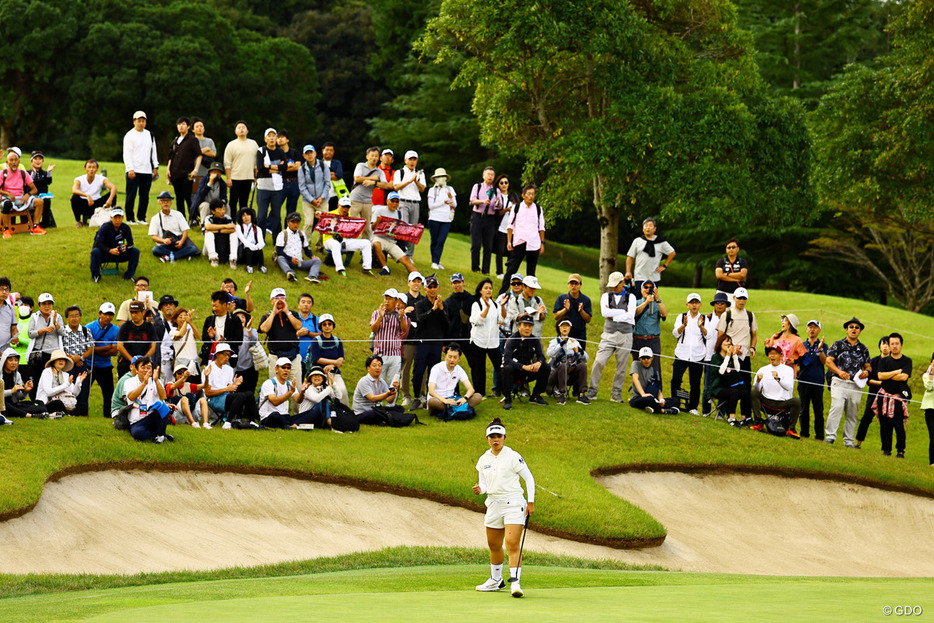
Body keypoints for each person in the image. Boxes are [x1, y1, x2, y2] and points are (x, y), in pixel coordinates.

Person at [473, 417, 535, 598]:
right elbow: (484, 484)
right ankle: (496, 580)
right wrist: (480, 489)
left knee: (512, 544)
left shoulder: (513, 456)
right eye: (492, 436)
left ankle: (515, 582)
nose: (495, 439)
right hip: (493, 504)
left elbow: (529, 478)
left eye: (499, 436)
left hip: (514, 502)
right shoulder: (483, 459)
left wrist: (530, 502)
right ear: (487, 438)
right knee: (493, 544)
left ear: (504, 437)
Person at [586, 272, 635, 403]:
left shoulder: (631, 297)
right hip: (609, 334)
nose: (613, 288)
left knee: (621, 367)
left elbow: (631, 315)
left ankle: (616, 393)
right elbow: (604, 313)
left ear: (622, 283)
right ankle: (592, 390)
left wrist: (613, 314)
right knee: (599, 362)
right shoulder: (606, 296)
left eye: (616, 285)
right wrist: (622, 313)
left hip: (625, 335)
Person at [824, 317, 871, 447]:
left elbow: (868, 366)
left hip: (856, 385)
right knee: (837, 407)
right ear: (846, 329)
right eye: (851, 327)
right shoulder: (837, 344)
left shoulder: (863, 348)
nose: (854, 329)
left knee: (852, 413)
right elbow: (829, 361)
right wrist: (839, 372)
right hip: (839, 381)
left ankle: (849, 441)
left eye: (857, 327)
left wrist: (867, 372)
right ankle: (830, 436)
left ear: (860, 331)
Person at [715, 287, 758, 421]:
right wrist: (729, 349)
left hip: (744, 357)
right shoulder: (727, 314)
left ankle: (745, 416)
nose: (741, 301)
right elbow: (721, 336)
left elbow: (754, 335)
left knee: (746, 386)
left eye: (744, 298)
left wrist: (752, 347)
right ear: (734, 298)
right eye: (739, 298)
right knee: (731, 386)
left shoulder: (750, 315)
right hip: (730, 357)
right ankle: (730, 415)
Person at [498, 185, 545, 295]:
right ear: (523, 195)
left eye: (533, 194)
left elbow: (541, 227)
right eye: (528, 194)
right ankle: (502, 293)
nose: (531, 196)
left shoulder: (538, 209)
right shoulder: (517, 207)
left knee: (531, 273)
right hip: (520, 242)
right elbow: (510, 226)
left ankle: (529, 296)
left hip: (533, 243)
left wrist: (542, 244)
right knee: (511, 269)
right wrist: (509, 241)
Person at [872, 332, 911, 458]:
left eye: (897, 344)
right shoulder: (884, 361)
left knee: (899, 426)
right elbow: (880, 376)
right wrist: (895, 372)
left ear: (901, 345)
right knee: (884, 425)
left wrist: (888, 375)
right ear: (888, 345)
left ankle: (900, 451)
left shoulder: (907, 361)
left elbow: (904, 377)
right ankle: (886, 450)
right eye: (892, 344)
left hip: (898, 398)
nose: (894, 346)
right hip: (883, 396)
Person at [412, 275, 449, 410]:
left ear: (438, 288)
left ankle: (430, 397)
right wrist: (432, 309)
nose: (433, 290)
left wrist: (440, 309)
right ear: (425, 289)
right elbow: (420, 319)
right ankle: (417, 397)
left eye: (435, 287)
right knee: (418, 371)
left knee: (434, 372)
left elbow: (447, 324)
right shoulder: (420, 304)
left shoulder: (443, 304)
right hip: (422, 343)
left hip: (436, 344)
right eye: (430, 287)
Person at [501, 314, 549, 410]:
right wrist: (523, 366)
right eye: (525, 325)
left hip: (527, 370)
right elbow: (507, 360)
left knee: (546, 367)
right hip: (514, 371)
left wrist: (538, 362)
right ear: (519, 326)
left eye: (530, 326)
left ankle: (535, 395)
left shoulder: (534, 340)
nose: (527, 328)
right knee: (507, 368)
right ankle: (507, 399)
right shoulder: (512, 339)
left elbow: (542, 356)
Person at [670, 293, 708, 414]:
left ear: (700, 304)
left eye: (696, 302)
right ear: (687, 305)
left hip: (697, 355)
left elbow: (709, 335)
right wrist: (684, 325)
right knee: (676, 379)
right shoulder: (681, 317)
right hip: (682, 353)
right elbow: (675, 333)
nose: (694, 305)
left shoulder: (705, 318)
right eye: (692, 303)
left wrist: (701, 327)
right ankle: (675, 403)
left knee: (695, 383)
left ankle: (693, 407)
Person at [259, 287, 303, 392]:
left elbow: (298, 326)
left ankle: (299, 409)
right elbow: (264, 328)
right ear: (271, 301)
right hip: (275, 356)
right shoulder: (267, 316)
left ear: (286, 300)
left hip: (293, 356)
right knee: (275, 388)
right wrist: (274, 313)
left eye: (282, 297)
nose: (279, 300)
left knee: (297, 387)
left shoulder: (293, 314)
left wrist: (287, 312)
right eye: (276, 298)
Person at [751, 346, 801, 437]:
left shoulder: (788, 370)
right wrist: (758, 381)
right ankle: (758, 422)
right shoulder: (763, 369)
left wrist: (778, 379)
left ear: (781, 356)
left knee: (796, 401)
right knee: (753, 393)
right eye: (770, 354)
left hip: (782, 403)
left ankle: (791, 429)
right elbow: (757, 389)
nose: (772, 356)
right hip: (767, 401)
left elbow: (789, 387)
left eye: (774, 354)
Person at [204, 343, 258, 427]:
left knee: (249, 394)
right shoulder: (209, 369)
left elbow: (230, 389)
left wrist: (235, 384)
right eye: (225, 354)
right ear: (217, 354)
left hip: (226, 397)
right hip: (213, 399)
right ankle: (228, 422)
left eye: (228, 355)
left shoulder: (229, 369)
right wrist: (226, 389)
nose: (227, 358)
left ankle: (252, 421)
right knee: (240, 396)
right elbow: (207, 393)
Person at [123, 356, 173, 442]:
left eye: (149, 368)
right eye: (143, 367)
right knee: (138, 434)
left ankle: (160, 435)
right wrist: (144, 383)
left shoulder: (155, 381)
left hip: (152, 416)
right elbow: (131, 397)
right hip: (137, 420)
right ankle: (160, 435)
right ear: (136, 369)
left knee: (162, 406)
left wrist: (156, 380)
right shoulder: (129, 381)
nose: (146, 370)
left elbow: (163, 396)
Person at [122, 111, 159, 225]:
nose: (141, 123)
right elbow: (127, 153)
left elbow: (153, 151)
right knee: (131, 195)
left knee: (144, 195)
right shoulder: (129, 135)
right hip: (134, 170)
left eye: (143, 121)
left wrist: (155, 166)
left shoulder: (149, 135)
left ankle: (141, 217)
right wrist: (130, 168)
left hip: (146, 170)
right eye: (139, 121)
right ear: (134, 122)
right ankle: (130, 218)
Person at [322, 196, 375, 276]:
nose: (345, 209)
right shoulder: (330, 214)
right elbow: (325, 229)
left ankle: (366, 268)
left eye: (347, 207)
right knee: (336, 244)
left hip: (344, 241)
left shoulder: (349, 217)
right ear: (338, 206)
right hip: (329, 240)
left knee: (366, 243)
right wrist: (335, 234)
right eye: (343, 206)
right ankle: (340, 269)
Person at [1, 146, 47, 237]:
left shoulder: (23, 173)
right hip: (8, 199)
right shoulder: (2, 173)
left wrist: (27, 195)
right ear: (7, 162)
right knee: (6, 204)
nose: (14, 162)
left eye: (16, 160)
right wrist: (7, 193)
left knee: (39, 201)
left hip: (21, 199)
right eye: (11, 160)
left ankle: (35, 226)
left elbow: (34, 189)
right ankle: (6, 230)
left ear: (19, 161)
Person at [468, 279, 503, 398]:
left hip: (493, 342)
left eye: (490, 288)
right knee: (479, 368)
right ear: (480, 290)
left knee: (500, 366)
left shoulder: (496, 305)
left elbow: (502, 320)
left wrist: (502, 307)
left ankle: (504, 391)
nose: (489, 290)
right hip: (478, 340)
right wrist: (486, 309)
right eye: (486, 288)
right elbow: (477, 321)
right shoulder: (476, 304)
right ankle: (479, 394)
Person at [427, 343, 482, 417]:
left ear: (459, 359)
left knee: (478, 397)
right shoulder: (436, 368)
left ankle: (452, 409)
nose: (452, 360)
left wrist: (465, 398)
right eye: (450, 357)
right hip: (439, 400)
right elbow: (431, 391)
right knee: (432, 401)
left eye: (455, 357)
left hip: (453, 399)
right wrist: (444, 400)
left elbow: (471, 389)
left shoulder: (459, 369)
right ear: (445, 356)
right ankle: (459, 409)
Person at [166, 116, 203, 223]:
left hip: (187, 174)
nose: (181, 126)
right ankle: (181, 220)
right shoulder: (175, 140)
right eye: (179, 124)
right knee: (179, 198)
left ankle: (193, 219)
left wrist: (195, 170)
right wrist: (168, 170)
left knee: (188, 197)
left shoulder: (192, 140)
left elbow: (199, 155)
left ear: (188, 127)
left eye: (183, 124)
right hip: (175, 174)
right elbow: (170, 157)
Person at [371, 192, 418, 275]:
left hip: (391, 241)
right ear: (387, 201)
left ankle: (419, 276)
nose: (395, 203)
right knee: (376, 244)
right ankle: (385, 268)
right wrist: (378, 221)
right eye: (392, 201)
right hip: (379, 238)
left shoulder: (399, 213)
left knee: (406, 259)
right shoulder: (379, 210)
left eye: (397, 201)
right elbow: (372, 228)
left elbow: (400, 230)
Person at [350, 146, 392, 240]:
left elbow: (385, 185)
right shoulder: (360, 165)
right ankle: (348, 247)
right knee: (351, 224)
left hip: (368, 201)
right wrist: (372, 178)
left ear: (379, 158)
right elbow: (357, 178)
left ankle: (364, 250)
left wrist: (374, 183)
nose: (374, 158)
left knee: (367, 228)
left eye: (376, 156)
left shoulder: (379, 172)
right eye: (372, 155)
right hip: (355, 199)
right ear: (367, 157)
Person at [855, 336, 889, 450]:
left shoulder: (893, 363)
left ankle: (886, 449)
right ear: (879, 346)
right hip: (873, 394)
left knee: (886, 423)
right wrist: (882, 383)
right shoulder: (873, 361)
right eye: (883, 344)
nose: (885, 346)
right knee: (866, 419)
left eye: (888, 344)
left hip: (888, 396)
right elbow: (869, 381)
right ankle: (858, 443)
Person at [624, 217, 675, 293]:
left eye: (650, 226)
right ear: (643, 229)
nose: (648, 228)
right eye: (646, 225)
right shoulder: (637, 241)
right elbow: (630, 257)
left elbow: (672, 253)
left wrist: (664, 266)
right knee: (639, 299)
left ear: (654, 229)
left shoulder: (661, 242)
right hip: (639, 276)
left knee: (652, 300)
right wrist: (628, 271)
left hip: (654, 277)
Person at [86, 302, 119, 417]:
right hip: (89, 364)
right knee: (84, 392)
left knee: (109, 394)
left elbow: (115, 351)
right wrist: (107, 347)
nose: (108, 317)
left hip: (105, 365)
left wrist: (94, 348)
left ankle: (108, 415)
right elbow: (86, 348)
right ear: (100, 314)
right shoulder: (89, 327)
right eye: (106, 314)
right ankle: (82, 413)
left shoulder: (115, 329)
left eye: (111, 315)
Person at [308, 314, 349, 406]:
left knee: (342, 391)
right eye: (324, 324)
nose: (327, 326)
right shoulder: (316, 341)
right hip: (319, 374)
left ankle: (345, 413)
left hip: (335, 373)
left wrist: (332, 366)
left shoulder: (337, 341)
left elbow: (341, 358)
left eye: (329, 324)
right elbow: (317, 358)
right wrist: (334, 362)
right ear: (320, 326)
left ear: (333, 326)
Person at [392, 150, 426, 258]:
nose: (412, 162)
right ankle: (400, 252)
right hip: (403, 202)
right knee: (404, 228)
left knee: (413, 230)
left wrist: (416, 180)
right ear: (405, 160)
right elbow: (396, 187)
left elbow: (422, 189)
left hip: (415, 203)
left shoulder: (420, 174)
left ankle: (409, 255)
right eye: (410, 159)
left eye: (414, 160)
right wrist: (410, 181)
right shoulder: (400, 172)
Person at [61, 305, 94, 416]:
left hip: (81, 364)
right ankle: (68, 410)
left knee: (83, 389)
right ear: (66, 319)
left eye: (76, 316)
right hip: (67, 365)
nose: (74, 319)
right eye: (71, 316)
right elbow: (60, 349)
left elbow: (90, 349)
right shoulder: (63, 332)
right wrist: (72, 359)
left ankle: (81, 412)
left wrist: (80, 358)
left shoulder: (86, 331)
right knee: (68, 388)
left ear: (80, 317)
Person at [371, 288, 409, 385]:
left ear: (396, 301)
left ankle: (391, 401)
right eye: (385, 298)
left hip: (395, 354)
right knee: (378, 383)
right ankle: (378, 400)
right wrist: (380, 317)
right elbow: (373, 329)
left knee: (393, 384)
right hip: (380, 354)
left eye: (390, 299)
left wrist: (401, 319)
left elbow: (404, 329)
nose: (387, 301)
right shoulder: (377, 313)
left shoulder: (400, 314)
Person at [797, 320, 828, 439]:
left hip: (817, 381)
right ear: (806, 329)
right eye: (810, 327)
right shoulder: (802, 344)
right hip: (803, 380)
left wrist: (820, 349)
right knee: (803, 409)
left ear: (819, 331)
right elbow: (797, 360)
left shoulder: (824, 345)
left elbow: (824, 361)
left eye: (815, 327)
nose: (812, 329)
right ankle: (804, 434)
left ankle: (819, 435)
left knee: (818, 410)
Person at [91, 207, 139, 283]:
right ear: (111, 218)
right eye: (115, 218)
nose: (117, 220)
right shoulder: (105, 227)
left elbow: (131, 243)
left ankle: (129, 275)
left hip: (119, 253)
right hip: (105, 253)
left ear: (122, 218)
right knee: (95, 252)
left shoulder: (126, 228)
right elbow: (97, 243)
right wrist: (109, 250)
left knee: (135, 251)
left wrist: (125, 247)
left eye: (119, 218)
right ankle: (96, 276)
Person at [547, 319, 590, 405]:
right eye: (563, 326)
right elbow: (550, 353)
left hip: (569, 376)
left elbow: (586, 358)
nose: (565, 328)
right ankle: (562, 395)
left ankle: (581, 394)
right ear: (559, 328)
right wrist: (561, 344)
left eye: (567, 326)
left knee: (582, 365)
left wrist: (579, 351)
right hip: (555, 376)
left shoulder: (574, 341)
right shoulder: (554, 342)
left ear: (570, 328)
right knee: (563, 365)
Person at [701, 292, 730, 416]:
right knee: (708, 386)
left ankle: (722, 413)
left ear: (726, 305)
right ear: (714, 304)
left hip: (724, 358)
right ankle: (705, 411)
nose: (719, 305)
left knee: (723, 385)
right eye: (717, 303)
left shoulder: (729, 319)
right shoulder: (707, 318)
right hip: (709, 357)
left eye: (722, 303)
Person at [255, 128, 287, 241]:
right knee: (261, 216)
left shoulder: (280, 152)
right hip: (263, 187)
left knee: (276, 216)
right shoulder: (261, 151)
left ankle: (277, 240)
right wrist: (277, 168)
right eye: (269, 136)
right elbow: (260, 168)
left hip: (277, 188)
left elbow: (285, 167)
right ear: (265, 139)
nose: (272, 138)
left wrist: (269, 167)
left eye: (274, 135)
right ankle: (260, 239)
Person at [149, 191, 200, 262]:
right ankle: (182, 255)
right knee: (155, 249)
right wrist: (163, 240)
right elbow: (154, 237)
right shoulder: (155, 218)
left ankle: (168, 257)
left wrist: (181, 241)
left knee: (193, 249)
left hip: (179, 243)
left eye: (168, 201)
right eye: (163, 201)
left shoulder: (178, 214)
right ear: (159, 203)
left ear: (171, 202)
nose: (166, 203)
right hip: (165, 245)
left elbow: (185, 231)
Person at [200, 290, 244, 369]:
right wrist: (210, 336)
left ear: (224, 305)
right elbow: (204, 338)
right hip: (212, 357)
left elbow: (239, 340)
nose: (214, 309)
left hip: (229, 359)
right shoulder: (209, 320)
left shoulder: (234, 320)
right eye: (213, 306)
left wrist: (224, 340)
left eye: (216, 306)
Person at [276, 212, 324, 283]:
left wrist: (312, 256)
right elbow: (279, 251)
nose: (295, 224)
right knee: (280, 258)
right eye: (293, 222)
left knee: (317, 261)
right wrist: (291, 259)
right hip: (287, 260)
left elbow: (306, 249)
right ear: (288, 223)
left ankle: (312, 276)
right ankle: (290, 273)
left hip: (299, 262)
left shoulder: (302, 234)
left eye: (297, 222)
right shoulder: (282, 234)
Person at [632, 280, 667, 377]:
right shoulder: (636, 302)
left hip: (653, 340)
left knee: (655, 370)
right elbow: (633, 314)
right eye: (646, 287)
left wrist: (658, 299)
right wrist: (646, 302)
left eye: (650, 288)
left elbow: (664, 314)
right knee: (637, 369)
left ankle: (656, 391)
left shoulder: (658, 304)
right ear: (641, 289)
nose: (648, 289)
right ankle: (639, 391)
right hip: (638, 339)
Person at [1, 348, 49, 419]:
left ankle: (19, 412)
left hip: (14, 404)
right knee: (5, 403)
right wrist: (11, 391)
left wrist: (26, 391)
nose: (13, 363)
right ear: (4, 361)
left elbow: (19, 397)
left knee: (39, 403)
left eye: (16, 360)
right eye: (10, 360)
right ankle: (29, 415)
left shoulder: (17, 375)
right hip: (2, 405)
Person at [37, 349, 87, 416]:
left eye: (63, 359)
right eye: (58, 359)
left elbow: (74, 394)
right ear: (53, 362)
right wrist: (66, 384)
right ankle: (69, 414)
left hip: (64, 401)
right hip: (48, 402)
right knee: (57, 403)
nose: (61, 361)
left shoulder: (65, 375)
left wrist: (78, 382)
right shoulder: (47, 372)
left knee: (84, 405)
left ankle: (68, 414)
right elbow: (49, 392)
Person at [630, 347, 679, 414]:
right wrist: (643, 394)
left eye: (648, 357)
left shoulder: (655, 372)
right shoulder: (635, 364)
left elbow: (658, 389)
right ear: (639, 358)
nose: (646, 360)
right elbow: (635, 379)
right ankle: (664, 411)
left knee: (676, 400)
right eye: (643, 358)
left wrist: (661, 400)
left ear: (652, 358)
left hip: (653, 397)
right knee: (649, 400)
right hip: (639, 397)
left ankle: (653, 407)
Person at [709, 334, 746, 424]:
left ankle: (744, 418)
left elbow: (737, 370)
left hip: (728, 386)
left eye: (730, 342)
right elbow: (721, 371)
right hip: (717, 388)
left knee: (745, 391)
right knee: (734, 392)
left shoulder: (730, 358)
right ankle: (731, 417)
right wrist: (728, 356)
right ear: (720, 344)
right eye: (726, 341)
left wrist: (734, 356)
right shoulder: (716, 357)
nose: (729, 343)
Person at [352, 354, 399, 424]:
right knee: (375, 413)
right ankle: (384, 419)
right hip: (362, 413)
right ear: (368, 368)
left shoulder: (382, 381)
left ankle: (384, 418)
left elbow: (390, 400)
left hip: (376, 410)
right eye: (374, 365)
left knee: (399, 408)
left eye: (379, 366)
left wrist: (394, 391)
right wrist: (387, 394)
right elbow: (372, 399)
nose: (377, 368)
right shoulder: (364, 381)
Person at [399, 272, 423, 406]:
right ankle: (406, 395)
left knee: (421, 369)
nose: (416, 284)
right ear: (409, 283)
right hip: (407, 339)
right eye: (414, 281)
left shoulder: (424, 300)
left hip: (421, 338)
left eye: (419, 281)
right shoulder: (403, 299)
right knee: (406, 368)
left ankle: (420, 395)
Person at [224, 120, 259, 211]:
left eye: (243, 127)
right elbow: (227, 163)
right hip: (235, 177)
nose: (241, 129)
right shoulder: (231, 145)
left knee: (244, 202)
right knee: (233, 201)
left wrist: (256, 176)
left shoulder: (253, 144)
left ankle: (243, 223)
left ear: (247, 131)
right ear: (235, 131)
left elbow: (256, 162)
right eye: (239, 128)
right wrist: (228, 178)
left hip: (248, 177)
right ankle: (232, 222)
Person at [257, 358, 301, 429]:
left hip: (285, 415)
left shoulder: (289, 384)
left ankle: (288, 424)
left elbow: (298, 400)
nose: (286, 370)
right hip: (268, 416)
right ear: (276, 369)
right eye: (283, 367)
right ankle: (290, 425)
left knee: (312, 413)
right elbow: (275, 402)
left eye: (288, 368)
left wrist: (303, 392)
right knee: (275, 415)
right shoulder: (269, 383)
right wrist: (290, 393)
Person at [298, 144, 329, 244]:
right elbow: (302, 187)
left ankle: (321, 245)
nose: (309, 155)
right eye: (307, 153)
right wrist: (312, 199)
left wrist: (322, 197)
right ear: (304, 156)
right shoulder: (301, 169)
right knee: (308, 223)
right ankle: (306, 245)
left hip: (323, 200)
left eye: (311, 152)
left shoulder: (323, 165)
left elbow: (327, 183)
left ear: (315, 153)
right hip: (308, 201)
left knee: (324, 224)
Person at [26, 292, 64, 374]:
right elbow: (30, 334)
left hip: (52, 353)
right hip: (37, 352)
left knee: (50, 376)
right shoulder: (35, 316)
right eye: (44, 304)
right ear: (39, 305)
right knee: (36, 376)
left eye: (49, 304)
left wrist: (55, 322)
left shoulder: (58, 317)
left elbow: (63, 333)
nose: (47, 306)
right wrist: (43, 330)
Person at [70, 159, 116, 228]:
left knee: (113, 195)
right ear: (85, 169)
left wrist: (110, 199)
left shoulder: (101, 179)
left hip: (97, 203)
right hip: (84, 204)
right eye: (89, 167)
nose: (91, 169)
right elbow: (74, 190)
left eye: (93, 167)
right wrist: (87, 195)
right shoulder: (79, 179)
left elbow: (113, 187)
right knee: (74, 198)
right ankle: (79, 221)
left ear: (96, 169)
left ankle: (110, 218)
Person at [469, 167, 497, 274]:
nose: (490, 177)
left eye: (492, 175)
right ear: (483, 176)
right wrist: (482, 201)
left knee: (488, 246)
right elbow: (472, 201)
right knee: (476, 244)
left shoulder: (496, 190)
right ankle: (475, 267)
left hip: (490, 218)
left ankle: (486, 270)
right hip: (478, 216)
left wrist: (498, 204)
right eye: (488, 174)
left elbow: (498, 206)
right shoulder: (478, 186)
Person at [116, 301, 156, 377]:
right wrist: (133, 360)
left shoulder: (149, 327)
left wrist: (143, 361)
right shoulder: (125, 326)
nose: (134, 315)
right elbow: (120, 346)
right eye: (132, 312)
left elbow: (153, 347)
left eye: (136, 312)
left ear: (143, 312)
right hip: (126, 364)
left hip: (144, 365)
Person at [427, 168, 456, 270]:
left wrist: (450, 198)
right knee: (434, 240)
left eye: (443, 177)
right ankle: (435, 260)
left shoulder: (450, 189)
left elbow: (454, 204)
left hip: (446, 219)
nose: (441, 179)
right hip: (434, 218)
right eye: (439, 177)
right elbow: (431, 206)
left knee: (441, 240)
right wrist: (443, 202)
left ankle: (436, 261)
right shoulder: (432, 190)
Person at [166, 362, 209, 428]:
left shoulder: (189, 385)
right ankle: (193, 423)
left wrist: (206, 377)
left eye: (184, 372)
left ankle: (205, 423)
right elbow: (173, 387)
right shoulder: (170, 383)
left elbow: (204, 386)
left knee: (203, 399)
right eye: (179, 373)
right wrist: (183, 377)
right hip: (177, 414)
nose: (182, 374)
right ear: (174, 376)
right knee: (184, 399)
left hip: (190, 413)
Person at [552, 273, 592, 344]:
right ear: (568, 284)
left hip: (579, 335)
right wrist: (565, 309)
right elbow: (556, 316)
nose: (573, 286)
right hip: (564, 335)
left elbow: (588, 319)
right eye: (571, 284)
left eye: (576, 284)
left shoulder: (586, 300)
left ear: (580, 285)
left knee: (579, 354)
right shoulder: (561, 298)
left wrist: (581, 311)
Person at [492, 175, 518, 279]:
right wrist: (507, 209)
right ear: (498, 184)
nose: (504, 185)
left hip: (512, 229)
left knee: (511, 253)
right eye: (501, 183)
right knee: (500, 251)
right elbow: (497, 212)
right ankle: (499, 272)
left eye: (506, 182)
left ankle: (509, 273)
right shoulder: (496, 196)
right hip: (501, 227)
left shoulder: (513, 196)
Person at [232, 308, 261, 396]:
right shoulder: (230, 333)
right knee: (237, 395)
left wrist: (248, 330)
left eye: (243, 317)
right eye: (238, 317)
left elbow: (253, 341)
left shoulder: (252, 331)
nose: (241, 319)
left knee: (249, 394)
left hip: (250, 369)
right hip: (235, 370)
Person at [203, 199, 238, 269]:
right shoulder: (209, 218)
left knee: (233, 234)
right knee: (209, 233)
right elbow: (207, 227)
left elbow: (232, 229)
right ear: (213, 211)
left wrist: (216, 230)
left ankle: (233, 259)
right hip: (210, 246)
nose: (222, 212)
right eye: (219, 209)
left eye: (223, 209)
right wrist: (225, 226)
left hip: (224, 244)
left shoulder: (227, 218)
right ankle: (213, 258)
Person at [277, 130, 303, 220]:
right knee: (276, 206)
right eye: (278, 138)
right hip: (281, 183)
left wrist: (282, 167)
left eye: (282, 137)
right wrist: (288, 166)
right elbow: (276, 169)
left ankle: (289, 228)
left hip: (294, 183)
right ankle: (270, 227)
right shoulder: (276, 153)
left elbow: (297, 167)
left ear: (287, 140)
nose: (279, 139)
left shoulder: (294, 152)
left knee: (291, 209)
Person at [444, 273, 474, 350]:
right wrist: (445, 343)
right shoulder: (448, 302)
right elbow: (445, 322)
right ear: (451, 284)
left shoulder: (471, 299)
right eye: (455, 283)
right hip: (453, 338)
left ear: (463, 282)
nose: (457, 285)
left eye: (459, 282)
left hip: (469, 338)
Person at [295, 293, 321, 378]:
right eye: (303, 302)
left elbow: (323, 335)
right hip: (295, 358)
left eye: (309, 302)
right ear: (298, 305)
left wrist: (309, 333)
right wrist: (298, 334)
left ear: (312, 306)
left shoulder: (317, 320)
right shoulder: (293, 319)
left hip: (312, 359)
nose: (306, 304)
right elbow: (287, 335)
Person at [27, 151, 56, 229]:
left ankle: (45, 223)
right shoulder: (28, 173)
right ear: (32, 161)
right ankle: (35, 223)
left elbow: (49, 182)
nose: (38, 161)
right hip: (32, 197)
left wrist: (49, 172)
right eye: (35, 159)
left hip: (43, 195)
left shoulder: (44, 173)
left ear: (42, 161)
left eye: (40, 159)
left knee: (47, 201)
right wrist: (33, 173)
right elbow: (28, 183)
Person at [235, 207, 266, 274]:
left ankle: (262, 266)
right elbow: (243, 240)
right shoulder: (238, 227)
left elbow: (262, 242)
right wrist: (252, 246)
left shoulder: (257, 229)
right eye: (244, 216)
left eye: (248, 215)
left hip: (255, 250)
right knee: (248, 249)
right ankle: (249, 266)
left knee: (260, 250)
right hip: (243, 252)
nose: (246, 217)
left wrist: (257, 247)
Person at [191, 117, 216, 196]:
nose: (199, 128)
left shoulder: (209, 141)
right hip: (195, 173)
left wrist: (200, 152)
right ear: (193, 130)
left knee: (207, 195)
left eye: (201, 126)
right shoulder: (191, 141)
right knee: (194, 195)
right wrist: (207, 149)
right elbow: (191, 153)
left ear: (204, 128)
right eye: (197, 127)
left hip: (207, 172)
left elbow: (213, 154)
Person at [321, 142, 344, 212]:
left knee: (334, 216)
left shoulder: (337, 163)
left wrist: (324, 175)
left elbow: (339, 175)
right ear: (323, 151)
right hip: (321, 195)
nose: (329, 152)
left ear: (333, 152)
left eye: (331, 150)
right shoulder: (318, 163)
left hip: (334, 194)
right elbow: (317, 176)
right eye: (327, 150)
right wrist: (331, 174)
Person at [920, 354, 934, 466]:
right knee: (933, 435)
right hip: (930, 408)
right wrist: (932, 373)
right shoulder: (926, 375)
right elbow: (929, 387)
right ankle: (932, 462)